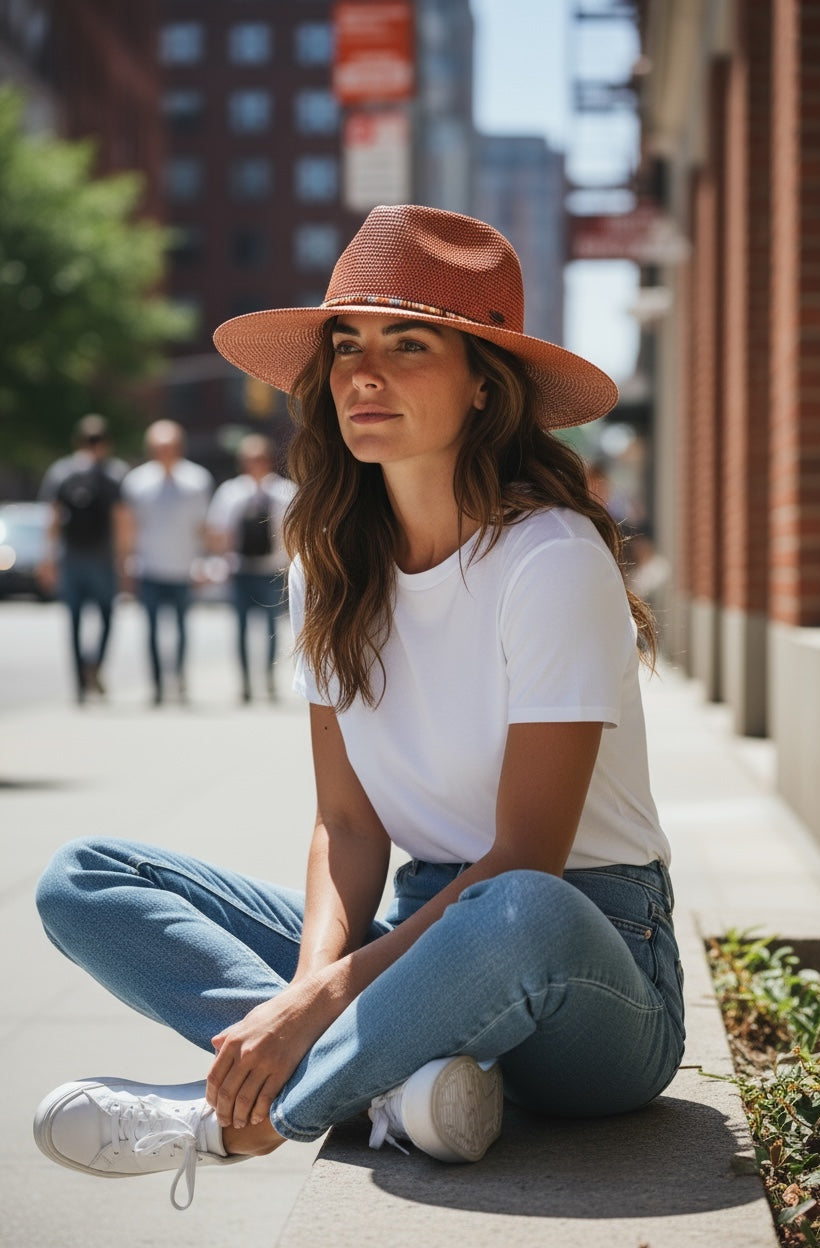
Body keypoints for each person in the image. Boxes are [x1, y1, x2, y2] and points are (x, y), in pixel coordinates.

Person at [33, 205, 685, 1212]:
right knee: (84, 878)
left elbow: (528, 859)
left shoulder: (549, 559)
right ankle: (404, 1089)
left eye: (407, 343)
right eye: (346, 346)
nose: (362, 373)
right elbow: (345, 825)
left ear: (483, 383)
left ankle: (238, 1119)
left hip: (585, 961)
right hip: (420, 926)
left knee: (509, 908)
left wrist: (317, 1003)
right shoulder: (329, 564)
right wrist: (309, 982)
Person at [37, 414, 129, 703]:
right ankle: (94, 666)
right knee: (106, 618)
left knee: (75, 622)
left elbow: (52, 519)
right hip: (100, 559)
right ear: (107, 443)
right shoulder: (114, 474)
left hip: (73, 557)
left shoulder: (61, 472)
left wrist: (48, 558)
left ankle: (79, 684)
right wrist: (124, 559)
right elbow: (122, 521)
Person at [121, 420, 214, 705]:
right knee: (150, 631)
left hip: (183, 568)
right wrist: (126, 563)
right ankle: (158, 685)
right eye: (159, 446)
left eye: (170, 445)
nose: (165, 451)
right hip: (149, 567)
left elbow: (203, 528)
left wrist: (204, 562)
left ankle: (180, 679)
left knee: (183, 630)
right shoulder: (136, 482)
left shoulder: (197, 480)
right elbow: (129, 527)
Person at [206, 434, 295, 702]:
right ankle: (245, 682)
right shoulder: (231, 493)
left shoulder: (285, 492)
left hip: (272, 570)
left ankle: (268, 679)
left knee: (271, 628)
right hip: (240, 569)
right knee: (241, 628)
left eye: (259, 458)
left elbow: (294, 533)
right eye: (249, 458)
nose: (254, 463)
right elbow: (217, 532)